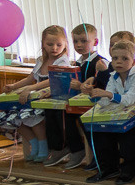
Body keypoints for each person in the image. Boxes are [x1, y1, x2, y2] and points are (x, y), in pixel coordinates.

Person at [81, 39, 135, 184]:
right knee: (98, 129)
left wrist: (107, 95)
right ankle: (108, 167)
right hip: (125, 111)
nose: (119, 62)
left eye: (124, 58)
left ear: (133, 61)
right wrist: (93, 94)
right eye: (115, 58)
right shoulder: (113, 76)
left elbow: (128, 99)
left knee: (126, 133)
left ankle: (130, 168)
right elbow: (105, 101)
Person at [0, 25, 70, 163]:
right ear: (43, 44)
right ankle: (35, 143)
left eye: (58, 44)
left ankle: (43, 146)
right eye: (50, 44)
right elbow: (29, 78)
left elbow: (52, 81)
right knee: (12, 116)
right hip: (33, 98)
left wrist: (32, 88)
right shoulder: (40, 60)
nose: (54, 48)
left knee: (33, 117)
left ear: (65, 44)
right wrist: (13, 86)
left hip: (49, 99)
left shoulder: (62, 61)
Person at [45, 23, 108, 168]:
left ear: (95, 42)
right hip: (78, 103)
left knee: (71, 117)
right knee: (52, 111)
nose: (79, 45)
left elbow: (101, 86)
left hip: (95, 105)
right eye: (75, 41)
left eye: (84, 41)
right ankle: (62, 148)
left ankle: (85, 153)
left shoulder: (100, 62)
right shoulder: (77, 62)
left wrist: (81, 86)